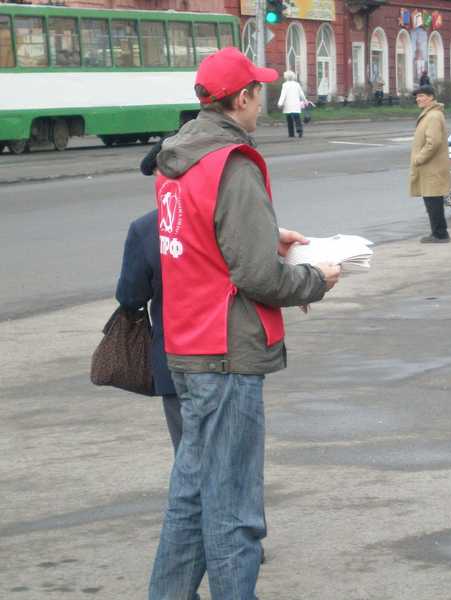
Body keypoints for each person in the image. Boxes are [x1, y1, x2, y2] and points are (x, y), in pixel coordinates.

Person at [148, 47, 341, 600]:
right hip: (227, 352)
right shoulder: (232, 162)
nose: (263, 100)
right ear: (240, 99)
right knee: (233, 509)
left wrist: (264, 238)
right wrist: (315, 281)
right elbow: (258, 276)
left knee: (189, 499)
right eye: (257, 91)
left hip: (185, 344)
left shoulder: (176, 158)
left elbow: (195, 241)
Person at [113, 140, 186, 454]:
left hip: (174, 358)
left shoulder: (146, 229)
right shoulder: (223, 216)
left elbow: (130, 296)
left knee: (188, 456)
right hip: (229, 357)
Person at [409, 84, 451, 243]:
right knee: (431, 200)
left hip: (431, 167)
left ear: (431, 97)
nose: (419, 99)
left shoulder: (433, 116)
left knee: (433, 201)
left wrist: (419, 158)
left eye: (422, 96)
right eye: (417, 96)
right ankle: (438, 232)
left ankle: (440, 234)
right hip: (430, 167)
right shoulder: (430, 114)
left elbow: (433, 143)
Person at [277, 70, 306, 139]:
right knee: (297, 118)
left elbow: (283, 95)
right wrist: (305, 100)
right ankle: (299, 130)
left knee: (289, 120)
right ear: (293, 76)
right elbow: (301, 93)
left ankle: (291, 133)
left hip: (288, 105)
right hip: (296, 105)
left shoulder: (285, 85)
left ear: (285, 77)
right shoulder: (297, 84)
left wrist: (280, 103)